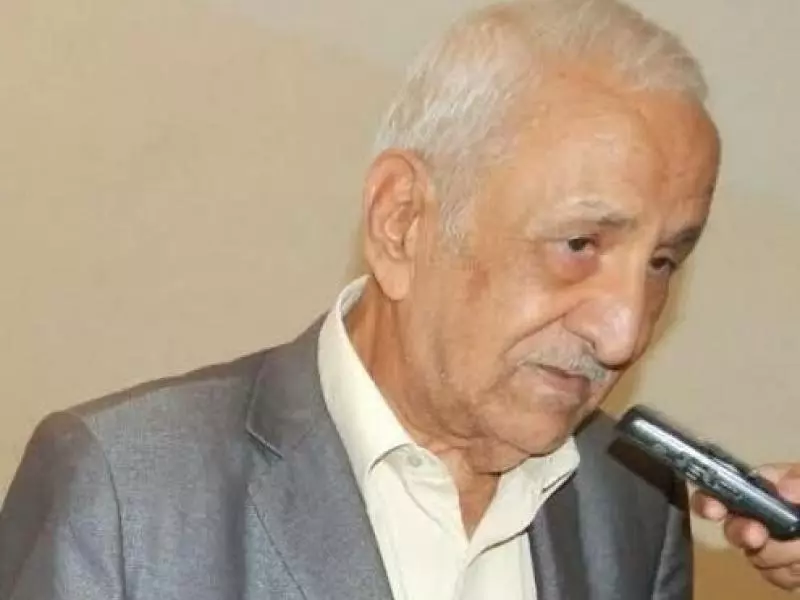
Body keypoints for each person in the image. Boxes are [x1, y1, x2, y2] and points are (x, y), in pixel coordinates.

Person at [0, 0, 797, 598]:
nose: (623, 332)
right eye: (579, 245)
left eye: (662, 262)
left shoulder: (631, 506)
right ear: (402, 221)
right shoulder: (124, 495)